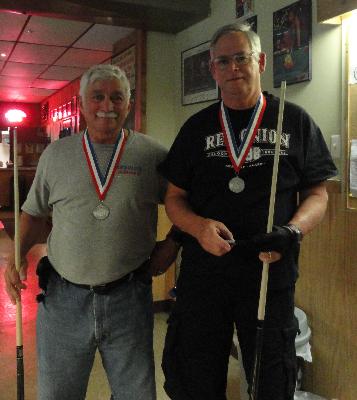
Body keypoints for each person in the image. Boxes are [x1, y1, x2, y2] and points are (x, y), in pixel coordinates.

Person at [159, 23, 337, 400]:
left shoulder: (296, 121)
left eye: (241, 57)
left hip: (269, 273)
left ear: (260, 61)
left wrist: (293, 231)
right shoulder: (196, 128)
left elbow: (318, 194)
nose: (233, 67)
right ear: (212, 69)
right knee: (197, 377)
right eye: (223, 60)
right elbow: (174, 198)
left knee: (271, 378)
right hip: (205, 276)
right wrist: (198, 227)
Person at [4, 64, 179, 400]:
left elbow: (183, 201)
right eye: (97, 97)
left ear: (128, 105)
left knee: (136, 395)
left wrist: (172, 245)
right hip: (63, 300)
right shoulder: (56, 156)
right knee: (59, 394)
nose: (107, 105)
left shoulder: (152, 155)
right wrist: (17, 258)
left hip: (129, 297)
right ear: (82, 104)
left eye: (117, 97)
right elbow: (33, 212)